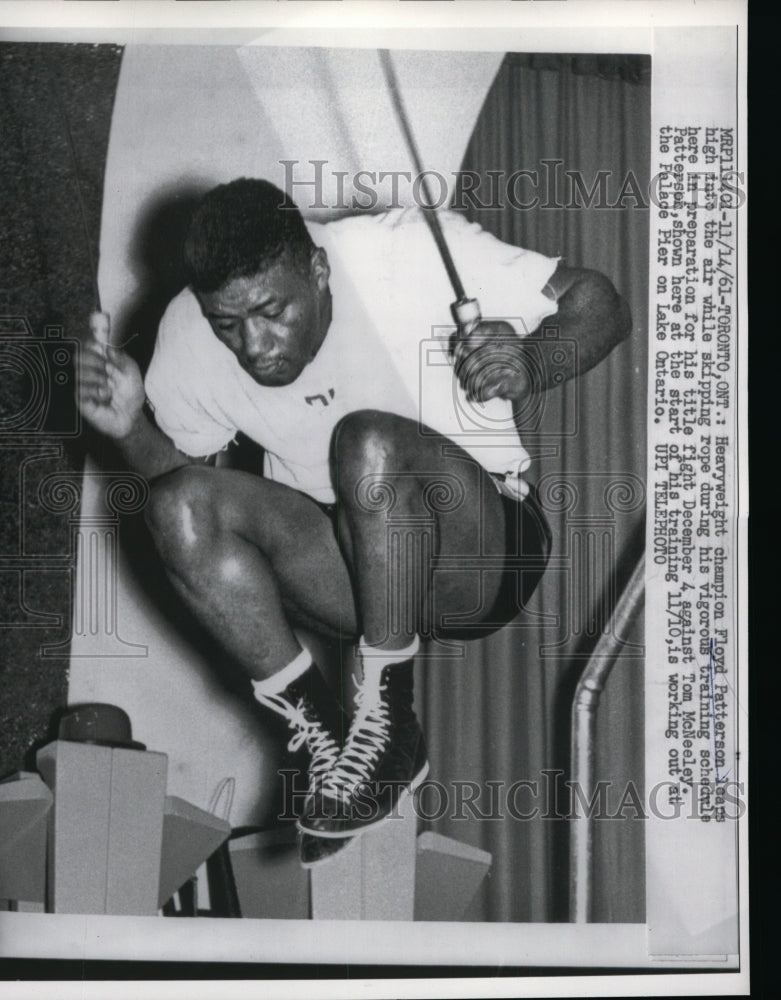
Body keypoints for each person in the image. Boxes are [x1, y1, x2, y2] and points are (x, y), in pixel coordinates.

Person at [77, 178, 631, 865]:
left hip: (476, 552)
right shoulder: (189, 331)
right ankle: (329, 736)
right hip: (346, 574)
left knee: (366, 442)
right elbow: (184, 499)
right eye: (229, 324)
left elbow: (599, 303)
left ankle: (386, 717)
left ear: (317, 268)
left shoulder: (402, 250)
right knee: (176, 505)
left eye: (272, 311)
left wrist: (532, 362)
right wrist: (128, 428)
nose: (254, 345)